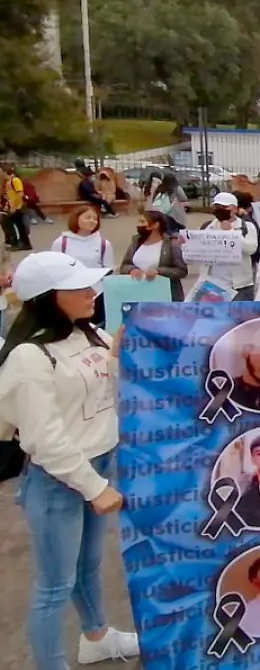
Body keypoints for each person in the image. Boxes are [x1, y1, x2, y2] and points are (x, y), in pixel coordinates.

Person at [0, 252, 140, 669]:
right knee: (54, 586)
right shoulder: (29, 357)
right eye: (78, 288)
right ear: (47, 297)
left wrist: (114, 355)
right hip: (60, 481)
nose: (91, 293)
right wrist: (94, 488)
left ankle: (96, 636)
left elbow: (102, 391)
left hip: (98, 466)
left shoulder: (88, 334)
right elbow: (45, 439)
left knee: (87, 567)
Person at [49, 206, 116, 325]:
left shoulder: (104, 244)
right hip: (70, 293)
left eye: (95, 219)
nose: (92, 221)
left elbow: (109, 270)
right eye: (87, 217)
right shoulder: (61, 242)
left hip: (97, 294)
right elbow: (55, 268)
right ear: (76, 219)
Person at [192, 193, 260, 301]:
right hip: (213, 285)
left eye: (224, 207)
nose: (220, 210)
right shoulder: (208, 227)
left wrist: (230, 233)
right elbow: (196, 252)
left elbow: (251, 249)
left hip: (239, 285)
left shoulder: (247, 226)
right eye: (217, 207)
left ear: (234, 208)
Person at [119, 210, 188, 302]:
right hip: (138, 294)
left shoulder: (171, 244)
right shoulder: (136, 242)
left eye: (143, 222)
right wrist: (132, 269)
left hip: (166, 295)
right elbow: (124, 266)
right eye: (138, 222)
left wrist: (159, 271)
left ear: (156, 225)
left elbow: (181, 270)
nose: (139, 225)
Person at [2, 165, 32, 251]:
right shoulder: (9, 182)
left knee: (18, 226)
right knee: (15, 225)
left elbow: (20, 193)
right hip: (13, 207)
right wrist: (7, 205)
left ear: (5, 172)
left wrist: (16, 206)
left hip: (17, 207)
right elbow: (10, 196)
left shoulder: (15, 180)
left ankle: (22, 243)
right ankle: (21, 242)